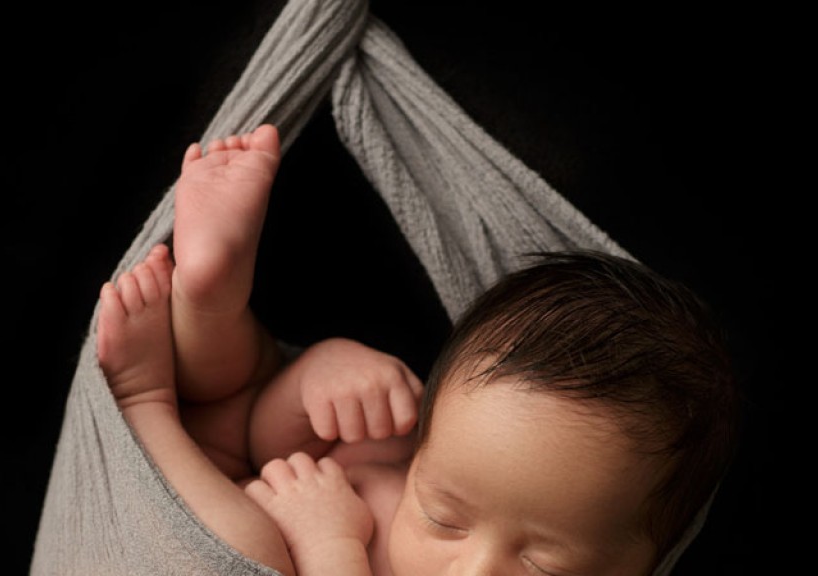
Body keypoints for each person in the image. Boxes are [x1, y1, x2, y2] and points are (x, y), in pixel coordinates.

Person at [96, 124, 741, 575]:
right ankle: (212, 295)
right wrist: (317, 380)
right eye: (442, 517)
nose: (474, 569)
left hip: (194, 533)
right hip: (228, 462)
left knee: (249, 552)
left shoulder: (391, 516)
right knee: (248, 389)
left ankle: (142, 399)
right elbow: (273, 448)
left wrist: (330, 544)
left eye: (545, 566)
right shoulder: (407, 467)